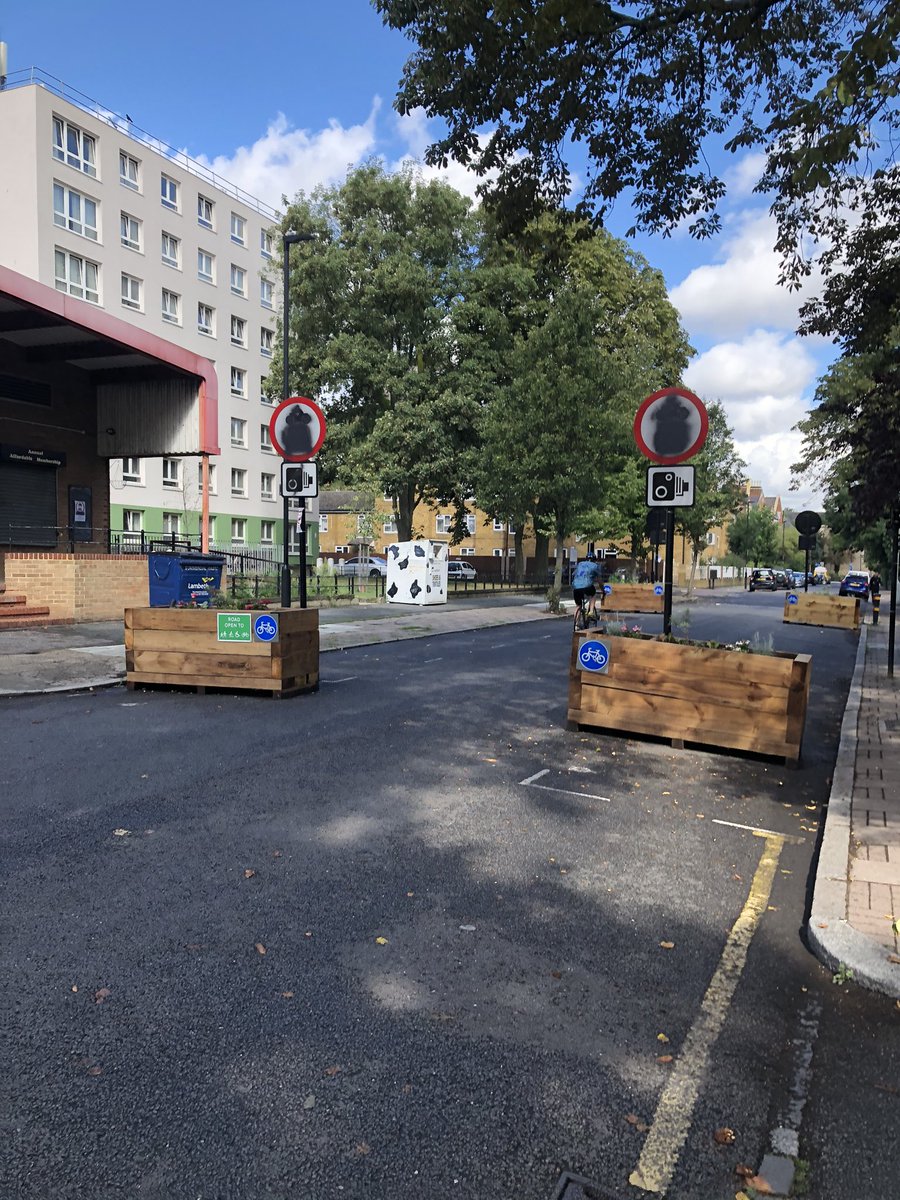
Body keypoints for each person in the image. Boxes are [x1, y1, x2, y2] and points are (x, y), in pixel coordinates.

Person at [572, 552, 603, 625]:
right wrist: (603, 589)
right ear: (594, 560)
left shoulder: (580, 564)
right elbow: (600, 581)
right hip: (587, 585)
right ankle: (591, 612)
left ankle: (576, 624)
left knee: (578, 605)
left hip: (576, 586)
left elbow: (574, 574)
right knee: (593, 594)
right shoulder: (595, 566)